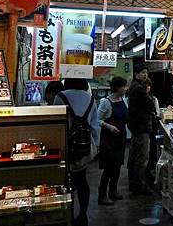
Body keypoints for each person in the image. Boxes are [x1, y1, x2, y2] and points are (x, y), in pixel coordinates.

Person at [54, 78, 99, 226]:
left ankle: (69, 215)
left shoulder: (60, 96)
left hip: (66, 146)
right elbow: (95, 127)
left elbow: (57, 124)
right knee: (82, 179)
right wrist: (95, 147)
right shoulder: (91, 98)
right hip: (84, 146)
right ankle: (83, 214)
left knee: (68, 182)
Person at [97, 77, 128, 205]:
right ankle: (102, 195)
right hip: (109, 139)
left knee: (117, 166)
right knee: (109, 167)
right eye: (124, 86)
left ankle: (113, 190)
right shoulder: (106, 102)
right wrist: (109, 127)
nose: (126, 89)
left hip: (120, 138)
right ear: (117, 87)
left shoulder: (123, 100)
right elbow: (97, 119)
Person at [127, 63, 156, 195]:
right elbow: (150, 104)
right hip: (141, 127)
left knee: (134, 155)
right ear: (136, 74)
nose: (145, 75)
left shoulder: (134, 86)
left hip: (136, 126)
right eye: (143, 72)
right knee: (142, 157)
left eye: (146, 72)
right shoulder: (139, 88)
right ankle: (139, 185)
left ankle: (133, 182)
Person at [145, 77, 160, 178]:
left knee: (152, 149)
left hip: (152, 127)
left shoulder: (154, 99)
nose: (147, 88)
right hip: (143, 128)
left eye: (149, 86)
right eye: (145, 86)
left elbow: (158, 113)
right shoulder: (138, 98)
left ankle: (150, 169)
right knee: (145, 151)